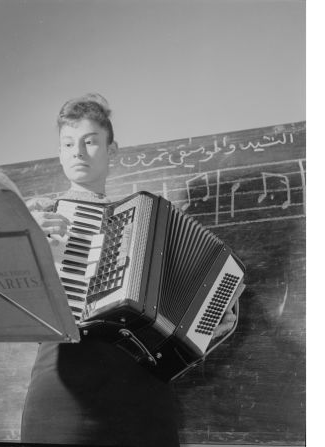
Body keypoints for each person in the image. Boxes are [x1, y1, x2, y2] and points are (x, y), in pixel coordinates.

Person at [21, 93, 236, 446]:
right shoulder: (38, 213)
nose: (78, 152)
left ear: (112, 149)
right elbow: (7, 297)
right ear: (60, 152)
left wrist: (206, 322)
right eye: (68, 143)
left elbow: (180, 314)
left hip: (142, 388)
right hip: (66, 385)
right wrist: (26, 242)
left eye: (90, 142)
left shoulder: (149, 224)